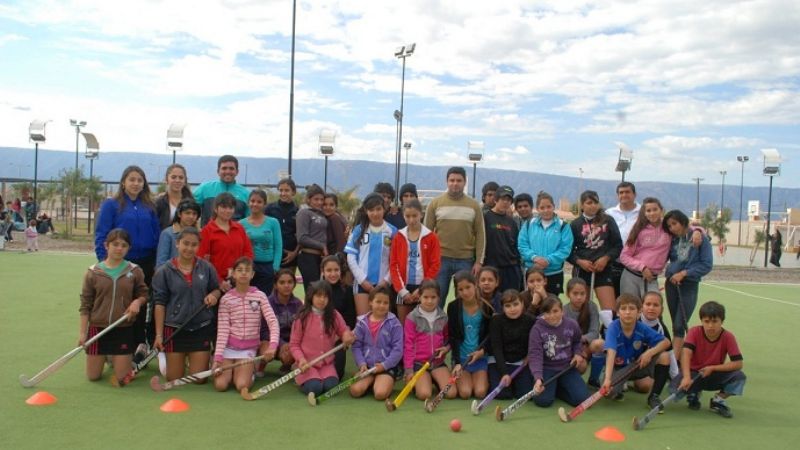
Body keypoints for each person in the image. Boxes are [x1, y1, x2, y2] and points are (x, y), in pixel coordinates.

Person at [94, 165, 161, 359]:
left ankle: (139, 344)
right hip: (120, 261)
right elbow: (101, 235)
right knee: (119, 303)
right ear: (123, 182)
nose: (136, 183)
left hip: (146, 262)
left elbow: (156, 234)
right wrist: (105, 262)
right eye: (132, 179)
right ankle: (114, 346)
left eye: (140, 180)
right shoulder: (111, 204)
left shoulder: (149, 206)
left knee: (140, 303)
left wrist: (156, 262)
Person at [152, 227, 221, 381]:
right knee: (174, 378)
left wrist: (213, 295)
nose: (189, 248)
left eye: (194, 245)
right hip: (174, 328)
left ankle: (195, 359)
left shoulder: (206, 267)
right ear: (177, 243)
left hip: (201, 327)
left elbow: (216, 289)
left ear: (199, 246)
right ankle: (165, 358)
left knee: (199, 380)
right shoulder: (164, 271)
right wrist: (159, 335)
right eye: (186, 243)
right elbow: (159, 304)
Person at [79, 229, 148, 381]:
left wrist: (137, 301)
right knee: (93, 377)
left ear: (128, 248)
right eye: (115, 244)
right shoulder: (93, 272)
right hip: (98, 329)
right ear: (106, 245)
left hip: (122, 328)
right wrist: (83, 333)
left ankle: (136, 356)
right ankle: (109, 356)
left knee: (122, 378)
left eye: (124, 245)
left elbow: (144, 294)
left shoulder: (134, 271)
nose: (119, 248)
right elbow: (85, 305)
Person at [213, 257, 279, 392]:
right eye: (240, 270)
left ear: (252, 274)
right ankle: (229, 368)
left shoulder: (260, 296)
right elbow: (223, 330)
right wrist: (218, 357)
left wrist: (272, 346)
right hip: (228, 348)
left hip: (248, 349)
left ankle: (250, 370)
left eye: (247, 270)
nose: (243, 273)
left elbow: (272, 322)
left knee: (241, 385)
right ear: (233, 274)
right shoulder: (226, 299)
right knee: (220, 385)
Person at [424, 167, 486, 305]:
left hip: (466, 260)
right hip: (440, 259)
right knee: (437, 299)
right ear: (447, 182)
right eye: (452, 180)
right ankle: (438, 321)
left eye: (459, 180)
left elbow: (481, 235)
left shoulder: (474, 206)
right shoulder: (435, 203)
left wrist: (479, 262)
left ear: (464, 182)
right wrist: (427, 259)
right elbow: (426, 234)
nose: (455, 183)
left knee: (465, 301)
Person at [602, 293, 672, 409]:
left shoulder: (641, 327)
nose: (627, 312)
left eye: (632, 308)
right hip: (619, 368)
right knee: (609, 393)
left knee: (664, 357)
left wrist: (649, 352)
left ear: (639, 312)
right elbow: (611, 353)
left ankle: (654, 397)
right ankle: (616, 386)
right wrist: (608, 379)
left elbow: (666, 342)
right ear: (618, 313)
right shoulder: (613, 327)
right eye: (623, 309)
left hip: (636, 366)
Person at [679, 301, 746, 418]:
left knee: (739, 377)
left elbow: (738, 363)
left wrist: (713, 368)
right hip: (694, 374)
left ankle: (718, 400)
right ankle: (694, 393)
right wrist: (686, 377)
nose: (710, 325)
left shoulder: (728, 337)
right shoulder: (694, 332)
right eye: (706, 321)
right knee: (675, 390)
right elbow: (685, 354)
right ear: (701, 321)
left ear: (722, 321)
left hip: (714, 374)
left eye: (715, 321)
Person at [290, 280, 356, 396]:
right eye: (318, 296)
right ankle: (300, 380)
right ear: (311, 297)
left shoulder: (334, 315)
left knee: (331, 386)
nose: (322, 299)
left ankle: (321, 379)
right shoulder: (302, 317)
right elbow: (294, 345)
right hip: (307, 364)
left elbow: (344, 330)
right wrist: (301, 359)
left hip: (326, 364)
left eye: (325, 296)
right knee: (315, 388)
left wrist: (346, 336)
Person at [568, 190, 623, 328]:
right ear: (582, 205)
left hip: (603, 270)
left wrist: (606, 258)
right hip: (582, 271)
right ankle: (581, 337)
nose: (593, 206)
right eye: (589, 203)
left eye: (595, 202)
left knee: (610, 311)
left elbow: (618, 245)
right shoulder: (575, 224)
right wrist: (579, 262)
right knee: (581, 308)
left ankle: (609, 337)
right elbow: (568, 251)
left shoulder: (608, 221)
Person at [664, 209, 713, 361]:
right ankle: (677, 359)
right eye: (669, 226)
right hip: (671, 285)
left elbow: (706, 265)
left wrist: (685, 273)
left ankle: (673, 364)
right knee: (675, 324)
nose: (672, 228)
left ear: (683, 221)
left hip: (688, 285)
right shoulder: (673, 239)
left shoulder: (700, 238)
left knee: (680, 324)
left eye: (674, 224)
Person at [528, 295, 590, 407]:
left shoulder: (572, 324)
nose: (552, 316)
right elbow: (535, 356)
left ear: (562, 311)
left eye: (555, 311)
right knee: (543, 401)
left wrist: (577, 353)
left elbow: (577, 341)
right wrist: (538, 378)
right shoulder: (537, 329)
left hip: (567, 367)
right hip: (547, 368)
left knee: (583, 399)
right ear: (543, 314)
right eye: (547, 312)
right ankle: (553, 388)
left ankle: (557, 388)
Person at [389, 199, 441, 323]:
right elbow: (393, 265)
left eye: (414, 216)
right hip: (404, 288)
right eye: (407, 216)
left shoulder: (431, 237)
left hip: (424, 288)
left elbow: (435, 264)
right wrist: (402, 291)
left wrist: (422, 288)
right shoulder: (398, 237)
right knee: (404, 326)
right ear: (403, 216)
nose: (411, 220)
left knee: (423, 327)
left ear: (421, 215)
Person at [345, 192, 397, 315]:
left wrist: (386, 281)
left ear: (384, 209)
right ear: (366, 211)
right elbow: (351, 258)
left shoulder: (393, 231)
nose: (375, 213)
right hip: (362, 284)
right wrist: (362, 280)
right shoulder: (358, 230)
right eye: (371, 210)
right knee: (363, 321)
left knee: (381, 322)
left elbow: (396, 261)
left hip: (383, 285)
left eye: (378, 209)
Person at [403, 279, 454, 401]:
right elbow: (408, 345)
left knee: (451, 393)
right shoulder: (412, 318)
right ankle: (422, 381)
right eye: (426, 297)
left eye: (433, 297)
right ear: (419, 297)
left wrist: (446, 348)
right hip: (419, 364)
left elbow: (448, 339)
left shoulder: (443, 317)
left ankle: (433, 379)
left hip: (438, 363)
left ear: (439, 298)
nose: (429, 301)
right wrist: (409, 370)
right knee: (424, 394)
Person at [350, 286, 404, 400]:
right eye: (378, 302)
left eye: (385, 303)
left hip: (386, 367)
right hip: (368, 367)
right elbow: (356, 346)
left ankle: (383, 381)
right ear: (370, 302)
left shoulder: (395, 323)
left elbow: (398, 350)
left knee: (380, 394)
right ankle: (371, 381)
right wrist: (361, 363)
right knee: (355, 391)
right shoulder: (361, 322)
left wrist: (384, 365)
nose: (382, 305)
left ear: (389, 304)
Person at [448, 270, 493, 399]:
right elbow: (453, 336)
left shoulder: (486, 307)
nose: (465, 292)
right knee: (465, 393)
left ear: (475, 285)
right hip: (462, 358)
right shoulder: (453, 307)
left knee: (480, 392)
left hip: (479, 357)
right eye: (461, 289)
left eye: (468, 287)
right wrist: (457, 362)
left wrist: (482, 352)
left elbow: (490, 335)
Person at [517, 191, 573, 295]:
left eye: (549, 207)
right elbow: (522, 245)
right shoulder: (529, 224)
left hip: (554, 273)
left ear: (553, 206)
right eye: (542, 208)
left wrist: (548, 260)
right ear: (537, 209)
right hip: (532, 274)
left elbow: (565, 249)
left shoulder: (563, 226)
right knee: (532, 303)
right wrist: (534, 257)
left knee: (551, 303)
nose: (546, 210)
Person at [198, 193, 254, 292]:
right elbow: (203, 261)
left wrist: (242, 273)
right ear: (216, 209)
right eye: (224, 207)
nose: (227, 211)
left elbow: (248, 253)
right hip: (216, 285)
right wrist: (219, 281)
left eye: (231, 207)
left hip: (239, 281)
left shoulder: (239, 228)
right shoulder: (207, 231)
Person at [619, 197, 671, 299]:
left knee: (653, 307)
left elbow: (687, 228)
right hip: (631, 277)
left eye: (655, 209)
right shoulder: (638, 229)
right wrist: (642, 267)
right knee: (631, 307)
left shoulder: (668, 228)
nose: (652, 213)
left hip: (651, 278)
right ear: (644, 213)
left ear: (661, 210)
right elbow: (624, 256)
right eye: (648, 211)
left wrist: (698, 230)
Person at [488, 289, 535, 400]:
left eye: (516, 304)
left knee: (524, 394)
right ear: (503, 308)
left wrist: (530, 355)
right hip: (499, 362)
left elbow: (535, 343)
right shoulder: (496, 321)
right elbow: (496, 348)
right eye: (508, 306)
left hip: (520, 363)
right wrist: (504, 373)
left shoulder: (530, 320)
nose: (512, 309)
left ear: (522, 304)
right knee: (503, 395)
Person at [241, 190, 282, 296]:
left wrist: (275, 267)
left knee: (264, 299)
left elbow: (278, 246)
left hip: (268, 268)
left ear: (265, 204)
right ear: (248, 202)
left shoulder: (273, 222)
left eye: (259, 202)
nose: (255, 204)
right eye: (252, 201)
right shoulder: (241, 224)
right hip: (248, 267)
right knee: (248, 298)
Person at [321, 255, 357, 380]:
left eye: (336, 270)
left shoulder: (347, 291)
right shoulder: (316, 290)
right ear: (323, 271)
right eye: (329, 270)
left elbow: (350, 319)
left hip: (337, 338)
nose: (333, 274)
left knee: (337, 374)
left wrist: (340, 336)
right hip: (317, 338)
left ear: (341, 271)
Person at [262, 268, 303, 375]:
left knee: (293, 351)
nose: (286, 285)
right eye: (282, 282)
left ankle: (287, 365)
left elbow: (301, 329)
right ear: (275, 285)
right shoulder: (267, 303)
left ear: (294, 284)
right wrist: (281, 343)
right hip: (271, 341)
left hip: (291, 343)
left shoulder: (298, 304)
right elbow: (264, 331)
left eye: (290, 282)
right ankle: (260, 367)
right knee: (264, 347)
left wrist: (290, 344)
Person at [484, 185, 523, 292]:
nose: (505, 202)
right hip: (491, 267)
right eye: (503, 199)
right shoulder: (485, 217)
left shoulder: (512, 222)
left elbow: (516, 244)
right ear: (496, 199)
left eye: (508, 200)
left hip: (510, 268)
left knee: (511, 298)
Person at [563, 278, 603, 379]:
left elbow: (594, 332)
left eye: (582, 293)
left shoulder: (591, 306)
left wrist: (582, 341)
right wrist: (578, 348)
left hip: (588, 345)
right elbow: (564, 336)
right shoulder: (563, 311)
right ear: (568, 294)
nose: (579, 297)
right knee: (581, 366)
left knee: (599, 344)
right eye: (575, 293)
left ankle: (594, 378)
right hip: (572, 348)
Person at [193, 155, 250, 226]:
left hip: (235, 232)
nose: (228, 171)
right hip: (208, 232)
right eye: (224, 168)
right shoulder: (204, 189)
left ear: (237, 171)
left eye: (231, 168)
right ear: (218, 171)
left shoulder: (246, 194)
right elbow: (190, 209)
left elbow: (250, 220)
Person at [607, 182, 640, 297]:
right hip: (614, 264)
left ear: (634, 194)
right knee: (615, 301)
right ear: (617, 195)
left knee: (634, 301)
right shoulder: (609, 213)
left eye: (627, 192)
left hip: (636, 265)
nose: (624, 195)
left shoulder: (644, 212)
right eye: (621, 193)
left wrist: (694, 230)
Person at [295, 184, 328, 292]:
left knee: (320, 290)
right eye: (316, 199)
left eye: (321, 199)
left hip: (320, 258)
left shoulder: (321, 214)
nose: (319, 202)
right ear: (309, 199)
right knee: (312, 291)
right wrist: (322, 246)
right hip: (308, 257)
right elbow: (302, 238)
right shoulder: (304, 213)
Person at [640, 291, 679, 380]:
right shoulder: (633, 322)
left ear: (662, 309)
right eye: (648, 304)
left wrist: (676, 378)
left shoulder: (661, 328)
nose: (651, 308)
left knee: (645, 386)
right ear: (641, 307)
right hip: (627, 363)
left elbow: (671, 353)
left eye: (656, 305)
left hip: (643, 364)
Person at [266, 178, 299, 271]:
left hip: (289, 258)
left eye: (287, 190)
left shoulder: (298, 211)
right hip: (271, 256)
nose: (283, 193)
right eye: (281, 190)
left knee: (287, 280)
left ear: (293, 192)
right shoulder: (269, 209)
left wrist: (294, 253)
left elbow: (301, 236)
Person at [156, 199, 201, 267]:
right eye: (187, 213)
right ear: (179, 214)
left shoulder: (200, 234)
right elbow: (161, 263)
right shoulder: (168, 234)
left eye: (194, 214)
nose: (191, 216)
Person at [154, 164, 194, 230]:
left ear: (185, 181)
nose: (177, 180)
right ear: (166, 179)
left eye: (181, 178)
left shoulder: (191, 203)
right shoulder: (159, 202)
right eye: (173, 177)